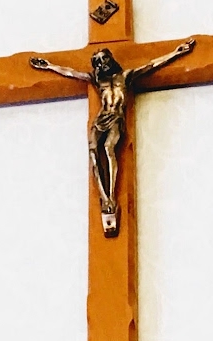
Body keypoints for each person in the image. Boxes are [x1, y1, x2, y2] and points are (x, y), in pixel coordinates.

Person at [30, 38, 196, 236]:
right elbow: (71, 73)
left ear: (111, 59)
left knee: (109, 148)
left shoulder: (126, 76)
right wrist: (49, 66)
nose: (102, 64)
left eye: (104, 59)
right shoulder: (97, 80)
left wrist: (177, 52)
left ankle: (111, 196)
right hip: (101, 119)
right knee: (93, 153)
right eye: (98, 62)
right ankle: (105, 198)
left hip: (117, 118)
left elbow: (152, 65)